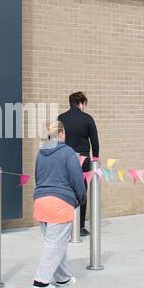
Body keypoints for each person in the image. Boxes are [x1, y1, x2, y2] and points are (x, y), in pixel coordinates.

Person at [31, 121, 86, 288]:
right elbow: (77, 179)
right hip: (60, 203)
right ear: (61, 133)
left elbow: (37, 177)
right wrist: (81, 198)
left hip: (41, 202)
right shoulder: (68, 153)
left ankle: (63, 278)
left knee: (56, 241)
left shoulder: (41, 153)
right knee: (54, 243)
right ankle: (41, 280)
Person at [57, 91, 99, 237]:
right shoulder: (87, 119)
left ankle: (65, 224)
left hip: (64, 158)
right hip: (83, 160)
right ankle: (80, 226)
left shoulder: (61, 118)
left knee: (65, 190)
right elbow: (94, 140)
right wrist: (96, 158)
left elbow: (56, 139)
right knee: (81, 191)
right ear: (81, 103)